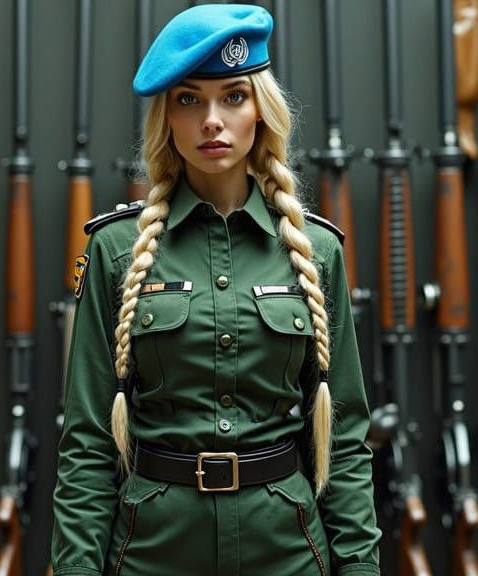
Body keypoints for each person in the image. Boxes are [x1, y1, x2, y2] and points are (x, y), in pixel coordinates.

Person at [51, 5, 381, 575]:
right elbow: (86, 443)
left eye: (233, 96)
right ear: (166, 120)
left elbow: (345, 440)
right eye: (188, 100)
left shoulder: (317, 252)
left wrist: (360, 568)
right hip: (153, 553)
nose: (211, 120)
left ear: (261, 111)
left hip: (288, 554)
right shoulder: (115, 250)